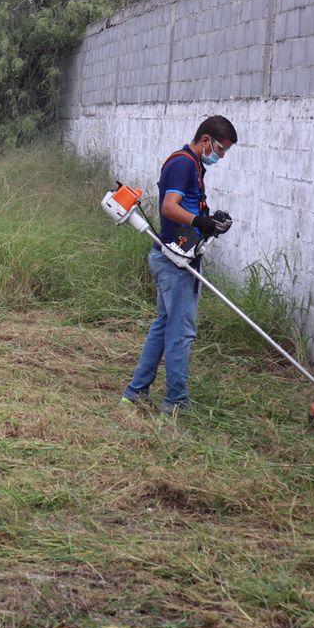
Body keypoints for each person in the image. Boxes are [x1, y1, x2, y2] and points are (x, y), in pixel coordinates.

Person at [121, 114, 238, 415]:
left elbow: (188, 206)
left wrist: (210, 221)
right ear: (205, 141)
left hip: (180, 255)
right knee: (181, 331)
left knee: (164, 327)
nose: (222, 156)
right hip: (174, 261)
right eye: (221, 149)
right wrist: (200, 221)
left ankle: (134, 395)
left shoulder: (194, 165)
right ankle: (175, 403)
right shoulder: (183, 163)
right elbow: (169, 207)